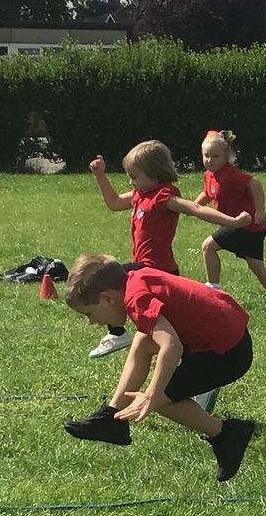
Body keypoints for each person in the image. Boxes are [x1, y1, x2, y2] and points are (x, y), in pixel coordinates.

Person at [62, 253, 256, 481]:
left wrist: (152, 395)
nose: (92, 322)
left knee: (159, 402)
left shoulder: (135, 298)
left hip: (227, 353)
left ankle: (226, 433)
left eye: (89, 314)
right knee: (143, 341)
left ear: (108, 299)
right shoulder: (133, 279)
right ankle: (111, 417)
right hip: (226, 336)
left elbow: (171, 346)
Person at [84, 141, 240, 358]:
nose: (131, 182)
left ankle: (118, 333)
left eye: (135, 176)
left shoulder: (162, 197)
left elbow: (194, 208)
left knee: (109, 278)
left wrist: (232, 222)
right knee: (175, 331)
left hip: (158, 270)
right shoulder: (140, 194)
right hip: (144, 270)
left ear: (154, 173)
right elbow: (114, 203)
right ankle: (201, 363)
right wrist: (100, 175)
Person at [198, 128, 266, 305]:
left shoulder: (231, 175)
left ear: (226, 156)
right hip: (242, 225)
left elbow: (254, 183)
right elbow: (208, 193)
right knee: (255, 263)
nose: (209, 160)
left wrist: (260, 210)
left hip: (246, 224)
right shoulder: (210, 175)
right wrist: (192, 207)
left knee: (208, 246)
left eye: (215, 156)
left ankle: (213, 288)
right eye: (206, 155)